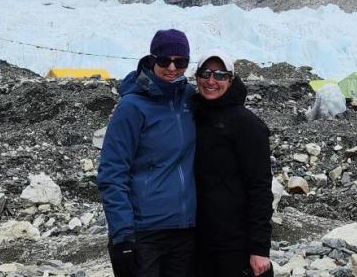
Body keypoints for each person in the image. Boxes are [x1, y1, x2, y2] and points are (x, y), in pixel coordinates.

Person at [97, 28, 197, 277]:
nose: (172, 68)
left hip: (185, 230)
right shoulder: (132, 107)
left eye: (180, 62)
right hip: (145, 232)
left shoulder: (189, 99)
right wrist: (122, 235)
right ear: (152, 59)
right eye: (164, 60)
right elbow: (112, 172)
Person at [193, 51, 273, 276]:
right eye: (205, 73)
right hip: (197, 240)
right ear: (196, 76)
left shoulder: (247, 125)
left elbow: (260, 187)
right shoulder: (193, 115)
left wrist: (259, 248)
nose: (211, 81)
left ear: (230, 79)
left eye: (220, 75)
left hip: (235, 243)